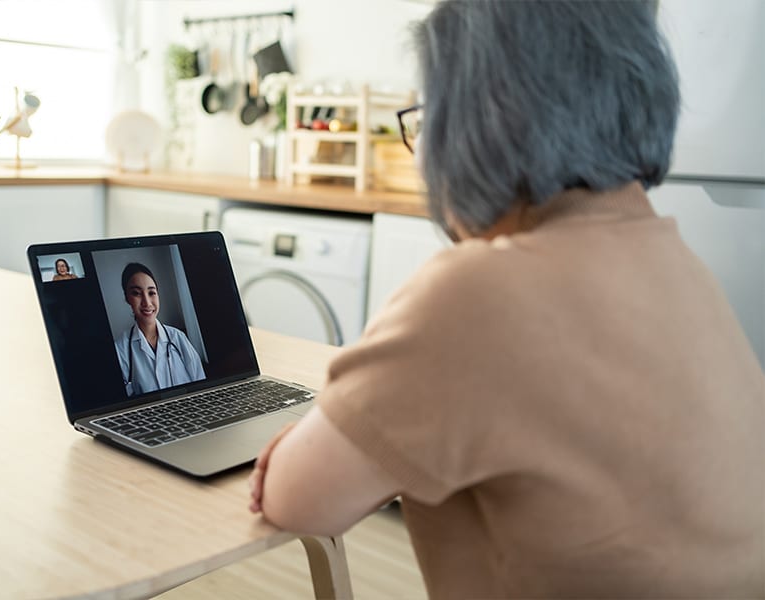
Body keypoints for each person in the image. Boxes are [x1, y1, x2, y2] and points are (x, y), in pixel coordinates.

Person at [247, 1, 764, 597]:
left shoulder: (476, 293)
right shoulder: (682, 265)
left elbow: (296, 499)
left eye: (424, 121)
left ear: (473, 123)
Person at [114, 262, 205, 396]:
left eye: (151, 292)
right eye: (136, 293)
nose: (147, 302)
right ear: (127, 298)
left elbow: (201, 385)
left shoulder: (178, 337)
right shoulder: (120, 349)